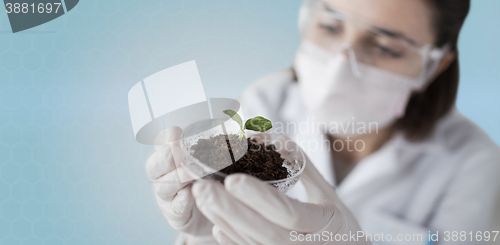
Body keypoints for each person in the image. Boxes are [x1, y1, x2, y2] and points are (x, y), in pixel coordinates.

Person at [147, 0, 500, 244]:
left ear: (434, 67)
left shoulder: (473, 162)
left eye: (387, 48)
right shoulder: (266, 102)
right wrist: (207, 234)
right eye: (331, 26)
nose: (339, 67)